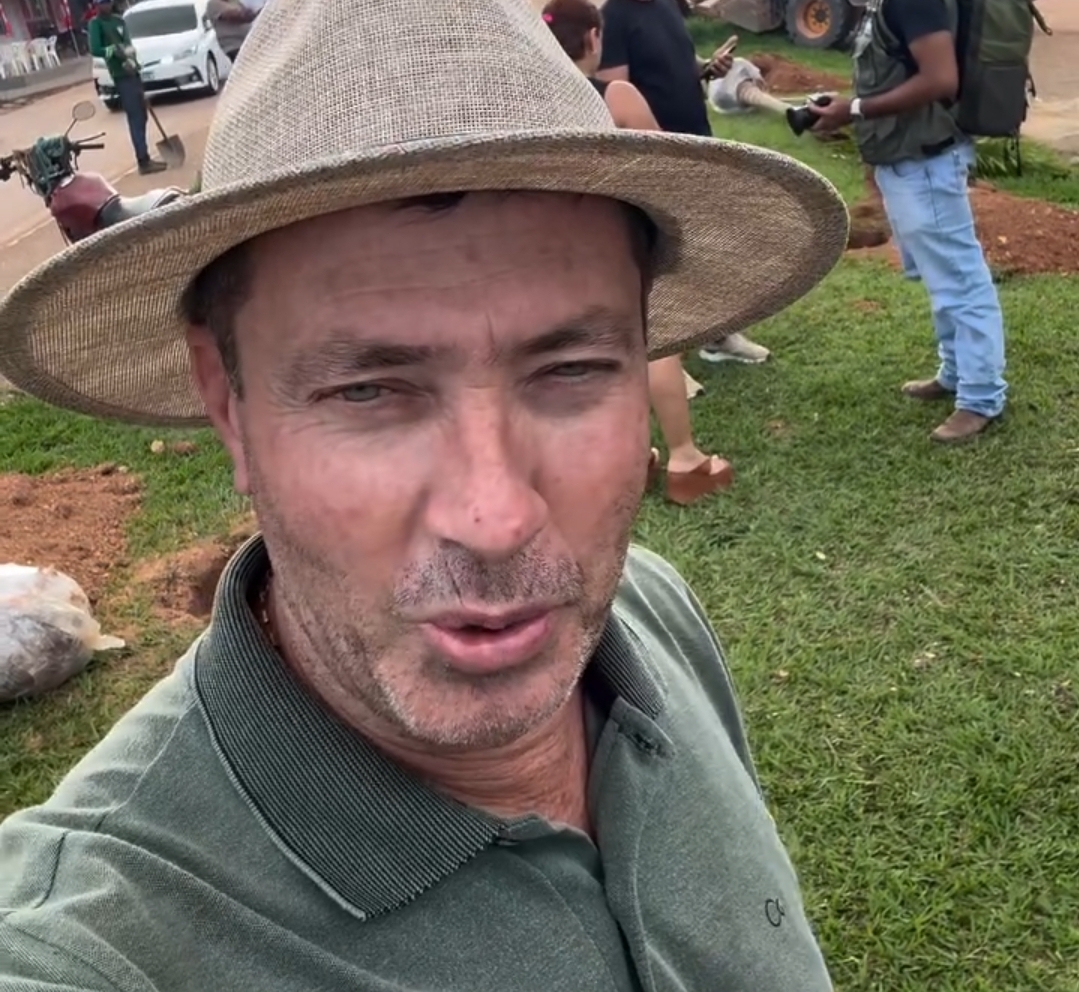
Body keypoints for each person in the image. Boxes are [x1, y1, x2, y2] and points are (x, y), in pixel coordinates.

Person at [0, 1, 850, 988]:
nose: (496, 520)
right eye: (367, 390)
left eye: (573, 368)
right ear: (228, 405)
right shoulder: (95, 943)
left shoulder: (650, 612)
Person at [543, 0, 731, 504]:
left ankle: (627, 457)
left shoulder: (539, 101)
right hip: (619, 238)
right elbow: (664, 163)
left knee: (593, 353)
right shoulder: (616, 96)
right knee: (655, 343)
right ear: (594, 38)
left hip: (557, 246)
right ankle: (685, 458)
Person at [809, 0, 1006, 444]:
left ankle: (981, 397)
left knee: (960, 280)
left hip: (927, 162)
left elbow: (941, 79)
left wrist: (855, 110)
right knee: (942, 279)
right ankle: (955, 373)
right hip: (907, 159)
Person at [597, 0, 772, 366]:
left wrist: (707, 67)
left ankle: (716, 336)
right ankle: (657, 355)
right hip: (657, 156)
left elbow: (678, 63)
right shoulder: (615, 16)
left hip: (697, 143)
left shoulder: (666, 6)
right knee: (655, 254)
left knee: (707, 244)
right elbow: (613, 93)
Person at [87, 0, 167, 175]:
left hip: (132, 70)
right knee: (135, 116)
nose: (105, 6)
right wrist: (111, 51)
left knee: (142, 114)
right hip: (120, 75)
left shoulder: (119, 21)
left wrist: (132, 59)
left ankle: (145, 154)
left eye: (107, 2)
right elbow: (95, 49)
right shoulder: (96, 24)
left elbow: (128, 43)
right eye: (101, 4)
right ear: (96, 6)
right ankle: (143, 160)